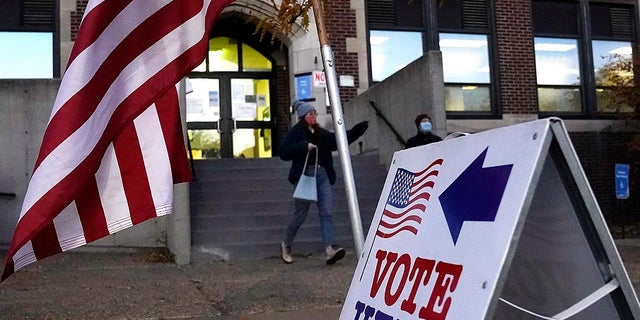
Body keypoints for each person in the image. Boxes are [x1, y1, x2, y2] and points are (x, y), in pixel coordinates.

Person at [279, 100, 369, 265]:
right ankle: (286, 244)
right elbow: (283, 152)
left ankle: (330, 249)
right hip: (305, 175)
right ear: (302, 116)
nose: (313, 116)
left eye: (314, 113)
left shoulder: (321, 132)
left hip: (322, 175)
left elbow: (336, 141)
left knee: (326, 212)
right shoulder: (296, 132)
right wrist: (303, 146)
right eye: (309, 114)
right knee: (300, 215)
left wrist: (356, 131)